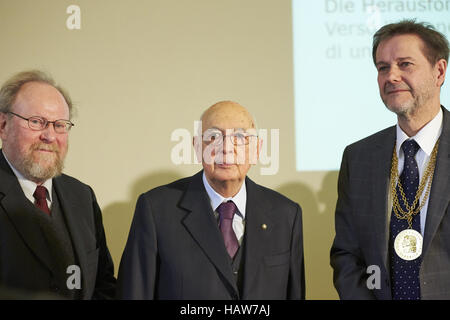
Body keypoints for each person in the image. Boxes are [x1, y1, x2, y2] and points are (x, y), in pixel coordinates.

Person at [117, 100, 305, 299]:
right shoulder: (156, 210)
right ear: (197, 147)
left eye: (240, 137)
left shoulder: (286, 215)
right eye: (213, 137)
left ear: (257, 149)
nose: (226, 148)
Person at [330, 20, 449, 299]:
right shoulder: (358, 157)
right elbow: (346, 255)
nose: (391, 76)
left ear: (439, 71)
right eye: (383, 68)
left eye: (405, 64)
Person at [0, 70, 116, 299]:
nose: (50, 136)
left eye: (60, 125)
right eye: (37, 122)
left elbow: (103, 285)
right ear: (3, 125)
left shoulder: (82, 196)